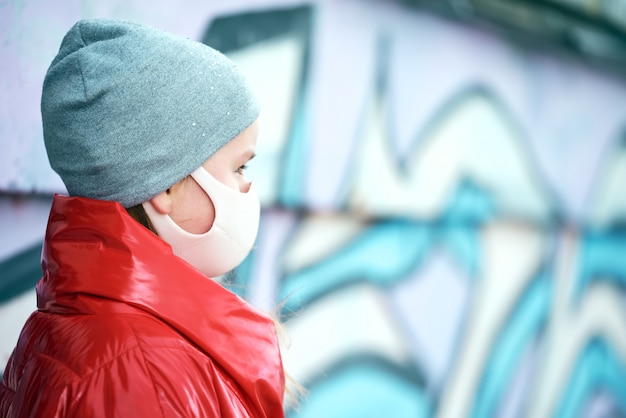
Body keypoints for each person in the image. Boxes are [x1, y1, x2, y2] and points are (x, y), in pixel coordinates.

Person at [0, 18, 285, 417]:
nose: (247, 190)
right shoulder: (141, 372)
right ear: (165, 186)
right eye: (240, 168)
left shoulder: (68, 328)